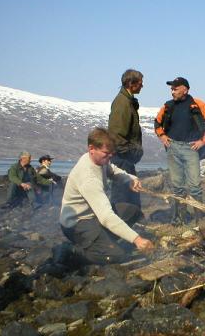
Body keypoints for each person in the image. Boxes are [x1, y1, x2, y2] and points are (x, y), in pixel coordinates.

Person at [60, 128, 154, 265]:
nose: (109, 157)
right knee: (118, 257)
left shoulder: (99, 160)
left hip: (93, 216)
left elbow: (113, 170)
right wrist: (137, 239)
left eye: (112, 154)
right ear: (91, 148)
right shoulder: (88, 178)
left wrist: (130, 179)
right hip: (77, 224)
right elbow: (106, 217)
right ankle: (74, 251)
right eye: (106, 154)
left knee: (132, 211)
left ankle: (103, 241)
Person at [154, 77, 205, 225]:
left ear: (185, 89)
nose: (172, 91)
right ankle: (179, 220)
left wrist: (203, 141)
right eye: (171, 88)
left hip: (192, 148)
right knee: (177, 187)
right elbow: (157, 122)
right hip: (173, 147)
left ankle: (199, 219)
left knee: (195, 186)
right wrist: (162, 136)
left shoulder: (197, 104)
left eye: (175, 88)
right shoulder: (168, 106)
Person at [108, 69, 144, 208]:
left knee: (130, 196)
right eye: (140, 83)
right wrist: (133, 152)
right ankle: (118, 226)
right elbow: (116, 136)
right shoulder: (122, 103)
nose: (142, 86)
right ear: (131, 83)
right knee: (123, 198)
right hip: (122, 158)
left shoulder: (127, 101)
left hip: (125, 157)